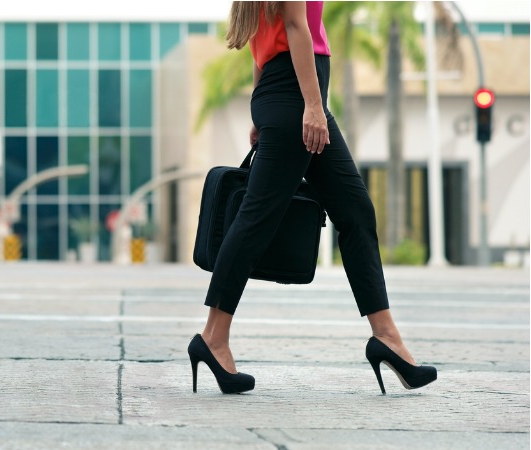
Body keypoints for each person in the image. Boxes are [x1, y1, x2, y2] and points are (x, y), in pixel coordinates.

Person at [187, 1, 437, 395]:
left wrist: (263, 109)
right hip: (297, 96)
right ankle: (213, 337)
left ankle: (386, 336)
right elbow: (295, 26)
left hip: (285, 92)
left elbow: (264, 37)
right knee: (256, 217)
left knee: (355, 212)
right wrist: (313, 107)